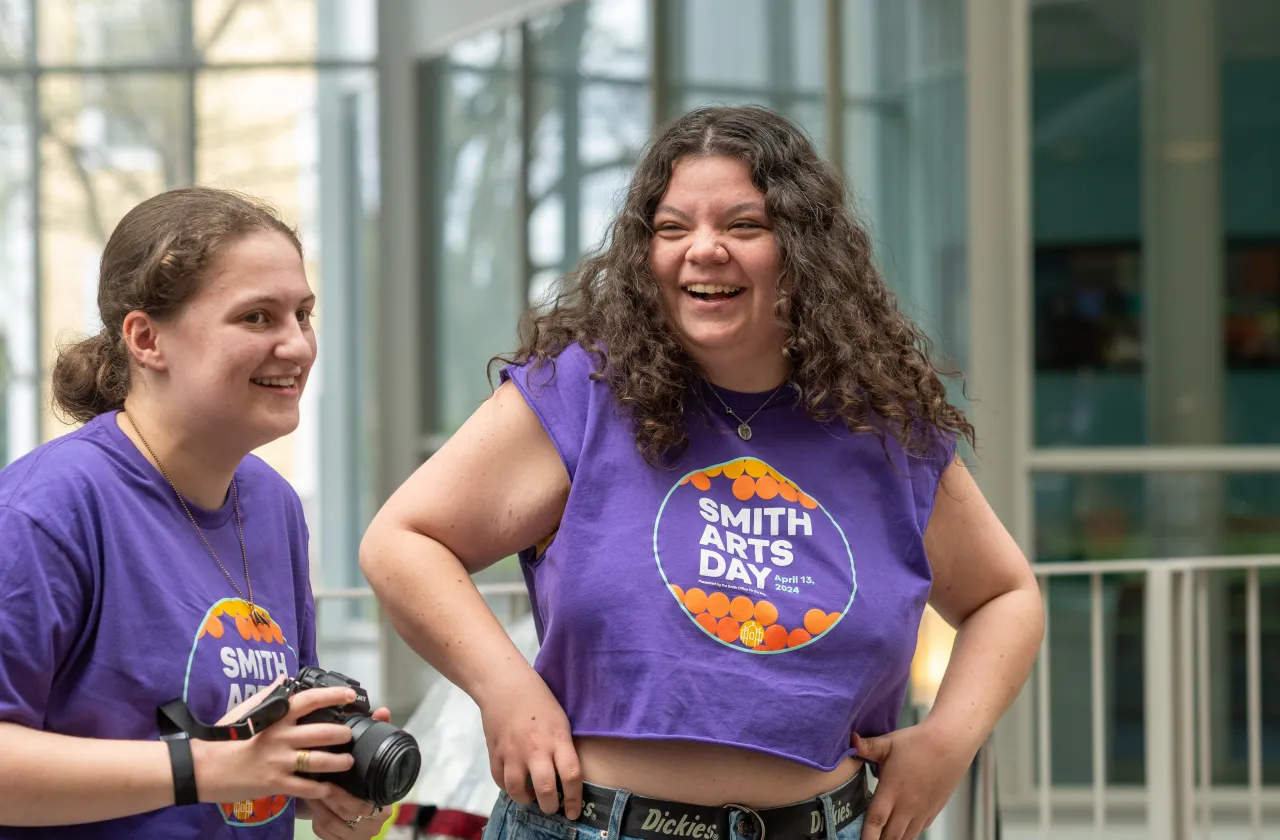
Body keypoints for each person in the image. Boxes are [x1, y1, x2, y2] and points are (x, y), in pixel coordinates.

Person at [360, 106, 1044, 840]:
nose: (703, 250)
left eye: (744, 226)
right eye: (672, 227)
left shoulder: (885, 427)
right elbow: (403, 541)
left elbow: (1005, 596)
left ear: (803, 250)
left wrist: (947, 741)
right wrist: (504, 690)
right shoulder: (583, 391)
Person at [0, 187, 393, 840]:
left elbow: (241, 760)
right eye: (257, 318)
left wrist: (319, 785)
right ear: (147, 338)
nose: (297, 347)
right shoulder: (48, 508)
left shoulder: (274, 505)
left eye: (303, 314)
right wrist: (207, 768)